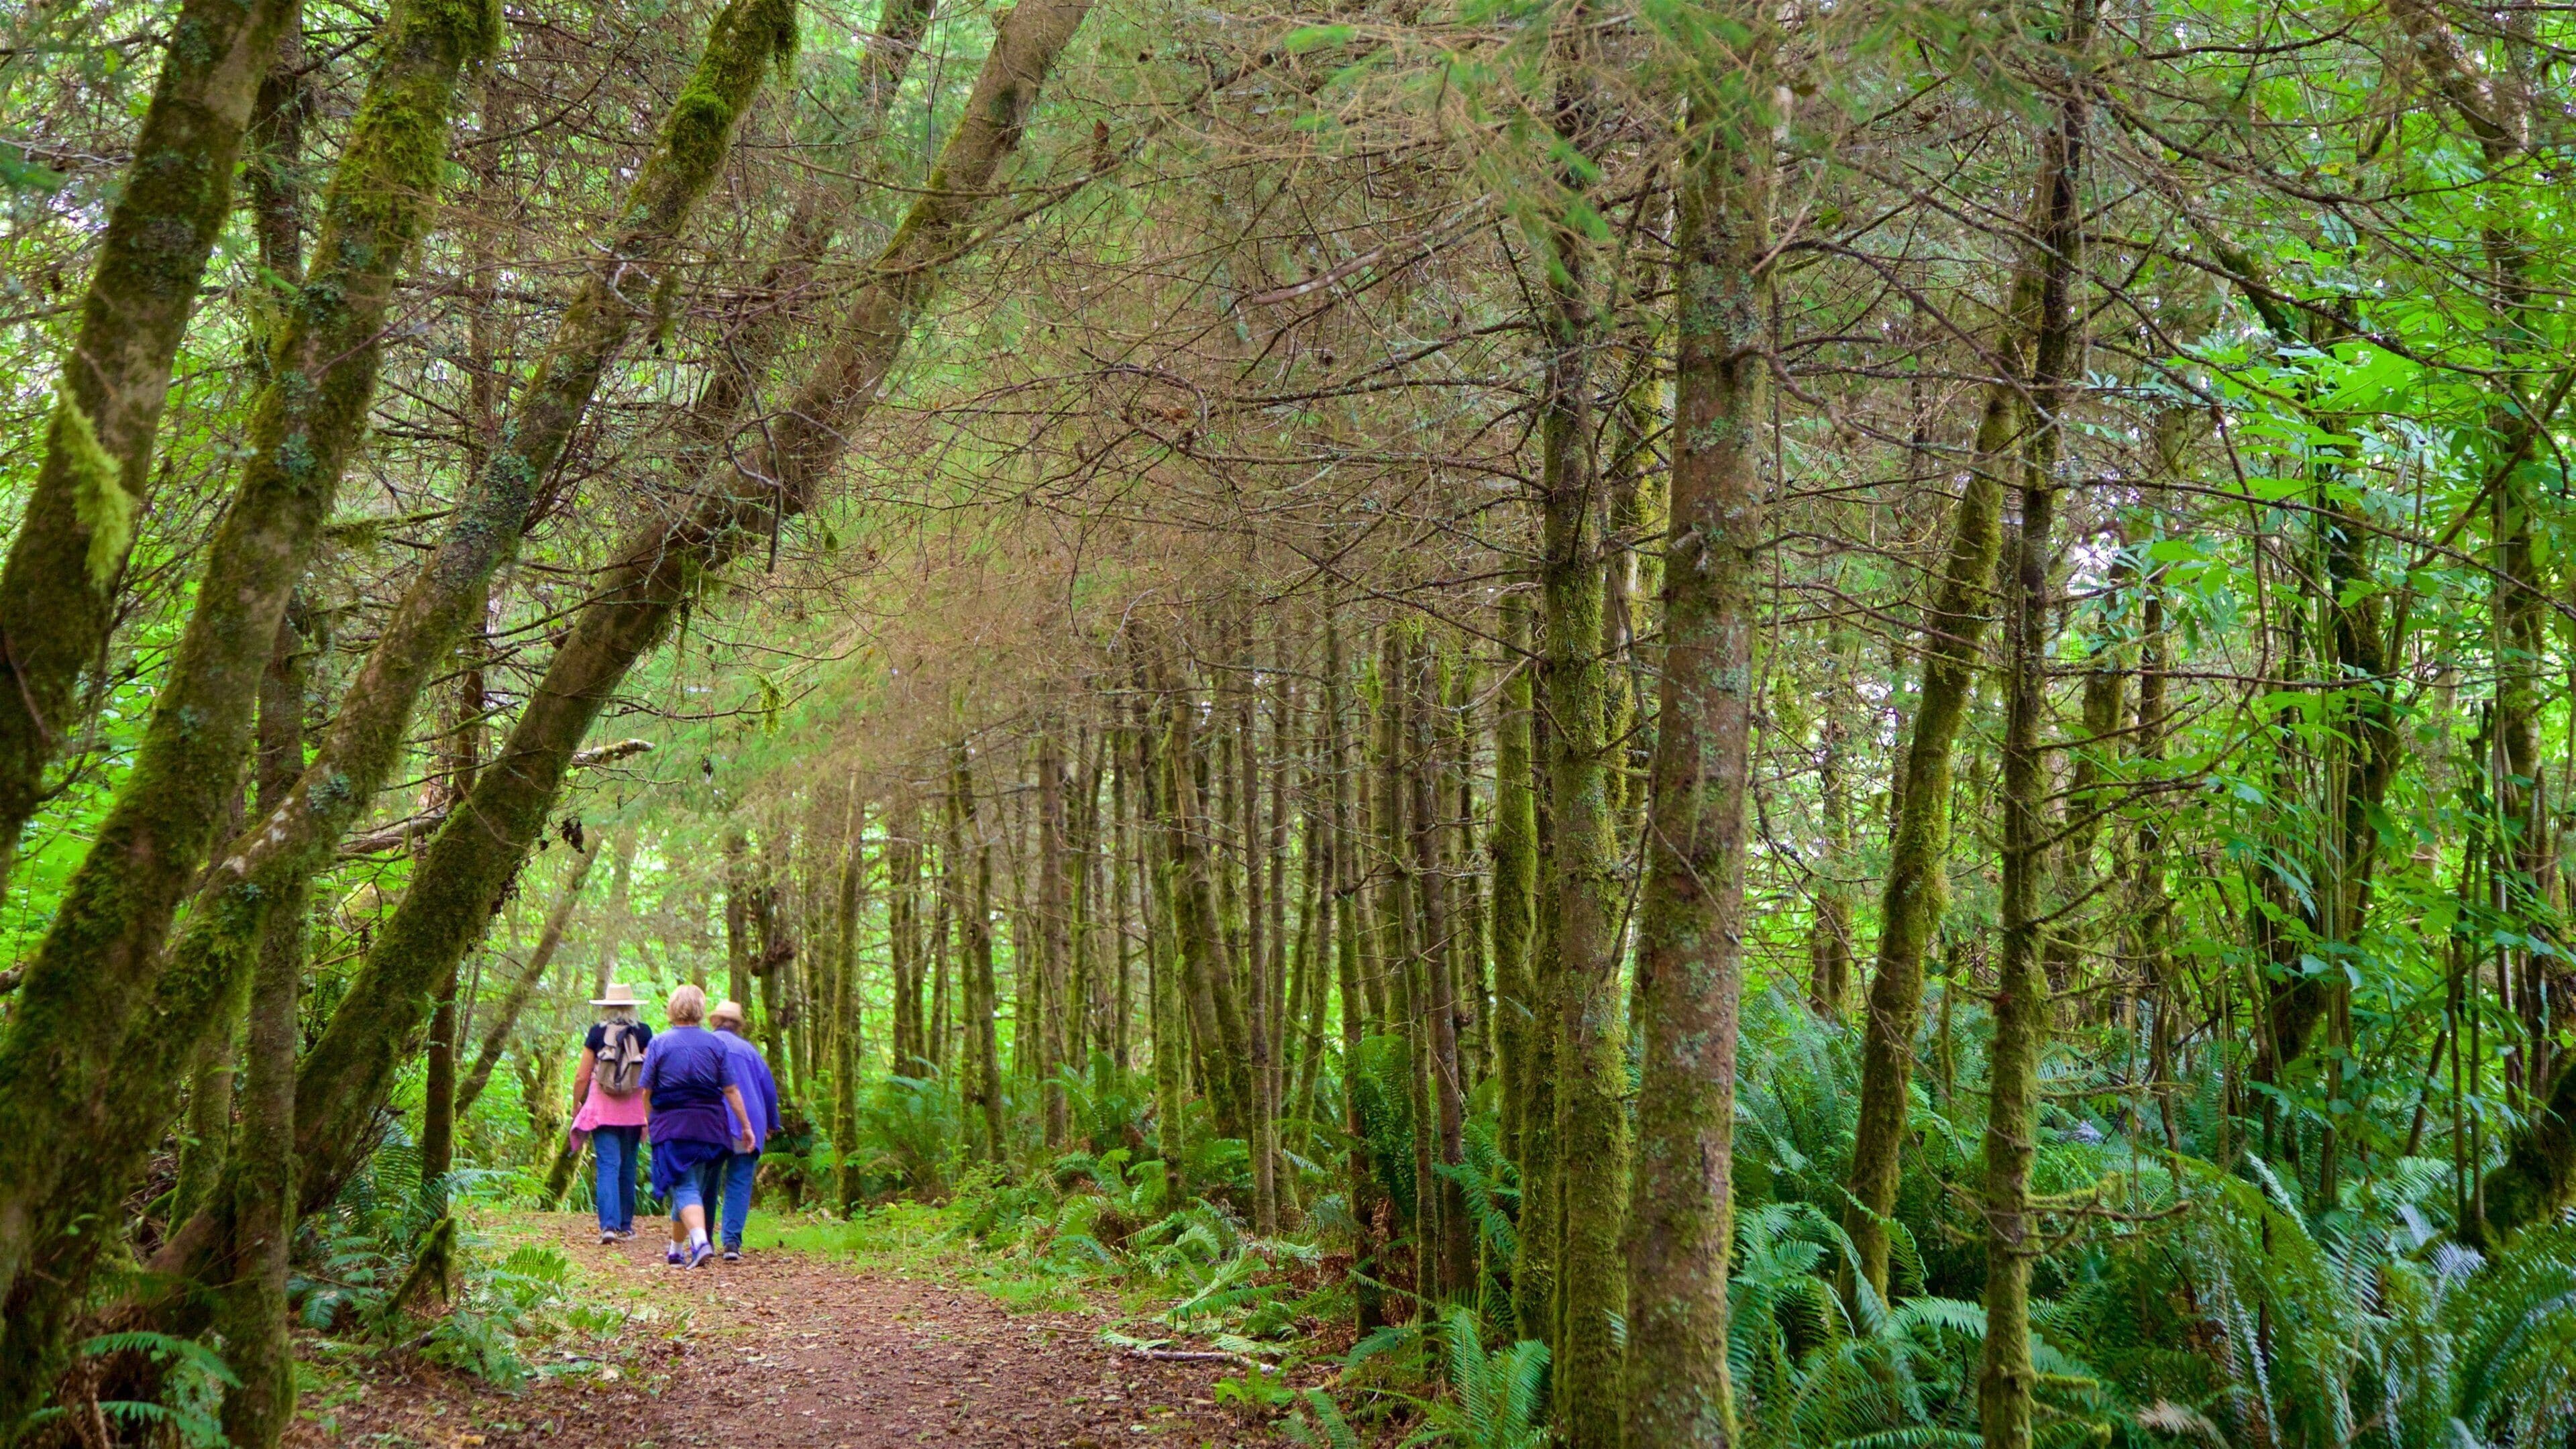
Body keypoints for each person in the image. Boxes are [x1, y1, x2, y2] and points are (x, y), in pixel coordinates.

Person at [640, 984, 755, 1268]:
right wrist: (746, 1126)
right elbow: (731, 1090)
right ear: (701, 1011)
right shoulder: (715, 1044)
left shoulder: (660, 1043)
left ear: (673, 1008)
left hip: (673, 1125)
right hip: (710, 1126)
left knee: (684, 1185)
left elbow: (647, 1091)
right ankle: (676, 1250)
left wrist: (650, 1121)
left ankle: (700, 1242)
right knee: (689, 1185)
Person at [570, 983, 652, 1244]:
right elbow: (650, 1074)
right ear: (632, 1007)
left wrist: (576, 1103)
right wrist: (649, 1111)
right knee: (628, 1166)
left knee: (607, 1166)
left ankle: (608, 1227)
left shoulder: (596, 1033)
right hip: (634, 1111)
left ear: (605, 1007)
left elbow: (583, 1075)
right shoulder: (644, 1032)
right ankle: (626, 1227)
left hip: (602, 1111)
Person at [707, 1000, 782, 1262]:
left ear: (714, 1022)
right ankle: (731, 1243)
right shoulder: (750, 1051)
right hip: (747, 1124)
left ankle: (702, 1240)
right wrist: (772, 1124)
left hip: (711, 1123)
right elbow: (769, 1090)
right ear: (738, 1026)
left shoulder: (705, 1045)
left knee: (708, 1180)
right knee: (739, 1181)